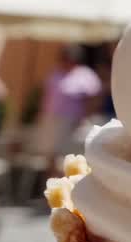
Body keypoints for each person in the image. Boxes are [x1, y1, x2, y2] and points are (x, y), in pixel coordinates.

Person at [35, 45, 102, 177]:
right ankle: (52, 180)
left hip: (71, 121)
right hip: (51, 118)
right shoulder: (56, 73)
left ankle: (66, 181)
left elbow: (95, 97)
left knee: (66, 155)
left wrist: (85, 115)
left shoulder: (85, 75)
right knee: (50, 154)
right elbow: (47, 95)